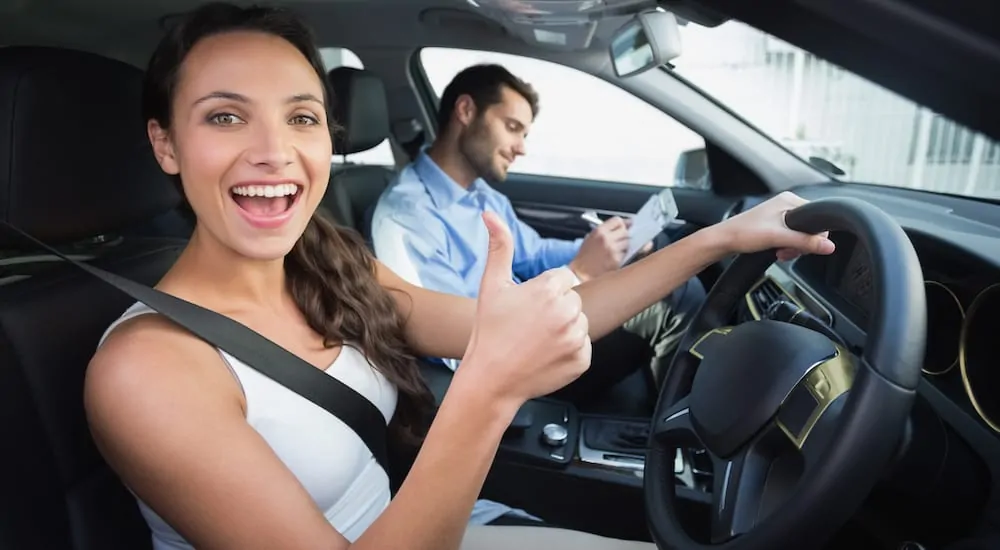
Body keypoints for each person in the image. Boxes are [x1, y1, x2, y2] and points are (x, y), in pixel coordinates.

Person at [82, 3, 835, 550]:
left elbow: (523, 325)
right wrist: (489, 389)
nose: (276, 152)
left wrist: (720, 239)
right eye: (224, 118)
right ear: (166, 143)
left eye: (302, 118)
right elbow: (493, 363)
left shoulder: (328, 262)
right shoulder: (146, 367)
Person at [369, 63, 706, 404]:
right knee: (673, 300)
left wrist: (609, 251)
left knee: (672, 284)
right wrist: (579, 273)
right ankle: (675, 441)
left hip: (532, 324)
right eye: (512, 127)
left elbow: (533, 254)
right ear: (466, 111)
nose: (521, 148)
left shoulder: (482, 195)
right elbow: (459, 345)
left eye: (524, 134)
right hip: (513, 362)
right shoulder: (408, 215)